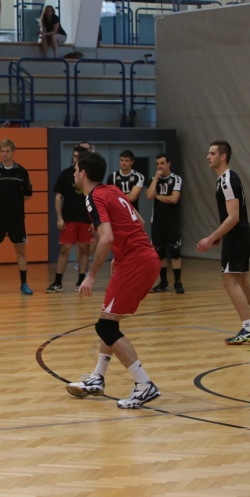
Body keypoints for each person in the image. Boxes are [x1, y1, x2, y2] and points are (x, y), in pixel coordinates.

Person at [67, 151, 161, 409]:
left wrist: (90, 276)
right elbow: (139, 221)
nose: (74, 173)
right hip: (142, 258)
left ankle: (144, 384)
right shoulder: (113, 190)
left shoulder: (93, 197)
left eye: (75, 169)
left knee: (106, 327)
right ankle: (97, 377)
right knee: (108, 319)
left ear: (83, 173)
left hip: (136, 262)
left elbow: (107, 237)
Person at [197, 141, 250, 345]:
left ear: (223, 156)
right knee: (241, 281)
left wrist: (211, 238)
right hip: (238, 235)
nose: (208, 156)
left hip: (237, 236)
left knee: (229, 281)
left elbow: (233, 217)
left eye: (212, 153)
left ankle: (248, 328)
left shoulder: (227, 180)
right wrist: (221, 236)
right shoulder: (224, 179)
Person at [0, 139, 34, 295]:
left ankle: (24, 284)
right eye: (2, 151)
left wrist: (15, 201)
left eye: (7, 151)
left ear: (13, 152)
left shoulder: (22, 172)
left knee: (21, 250)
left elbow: (28, 194)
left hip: (16, 218)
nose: (4, 154)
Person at [46, 145, 91, 293]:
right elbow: (58, 197)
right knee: (65, 249)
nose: (75, 159)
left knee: (84, 249)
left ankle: (81, 281)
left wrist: (94, 220)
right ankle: (57, 282)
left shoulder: (90, 175)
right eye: (74, 156)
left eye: (78, 156)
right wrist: (59, 218)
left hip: (86, 219)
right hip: (69, 219)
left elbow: (96, 198)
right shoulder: (65, 174)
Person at [146, 153, 184, 294]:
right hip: (157, 222)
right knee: (160, 253)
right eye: (157, 164)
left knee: (175, 252)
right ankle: (163, 282)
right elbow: (149, 196)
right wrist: (156, 178)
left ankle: (178, 282)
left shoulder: (176, 179)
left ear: (168, 164)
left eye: (162, 163)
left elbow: (174, 199)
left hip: (172, 221)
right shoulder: (153, 180)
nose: (160, 166)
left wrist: (158, 196)